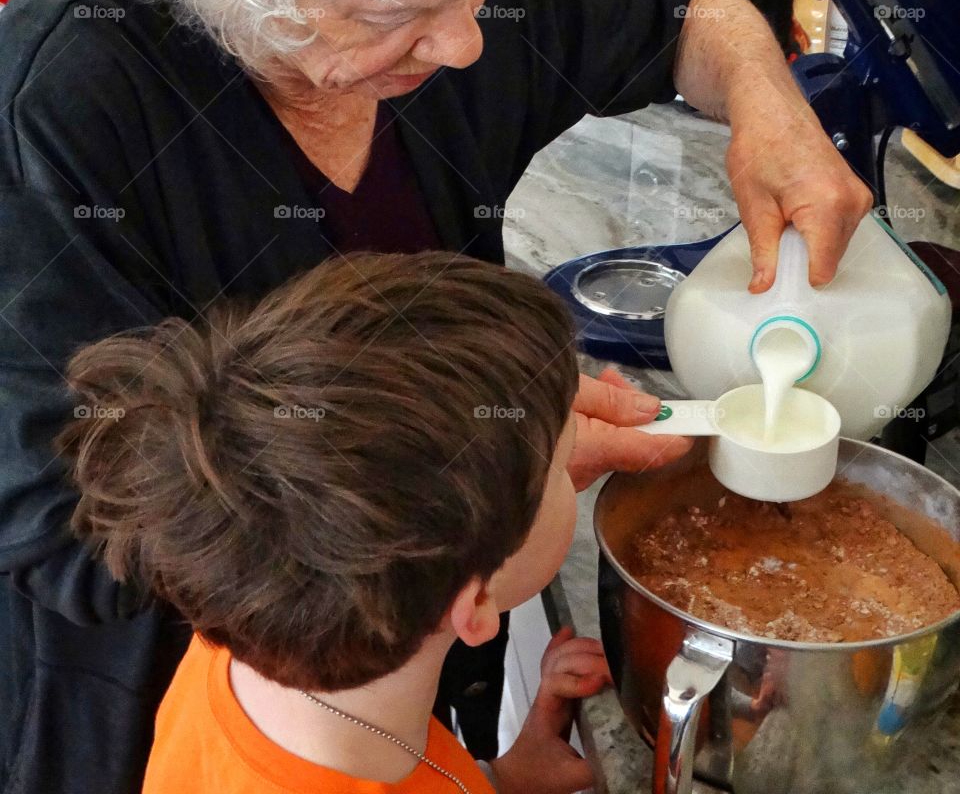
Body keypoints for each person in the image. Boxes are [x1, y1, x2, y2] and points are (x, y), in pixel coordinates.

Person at [0, 0, 872, 793]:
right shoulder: (70, 100)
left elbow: (682, 6)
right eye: (394, 16)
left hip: (417, 667)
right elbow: (67, 519)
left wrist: (769, 101)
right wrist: (472, 469)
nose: (465, 42)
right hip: (187, 717)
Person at [58, 251, 615, 794]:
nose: (573, 467)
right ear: (473, 605)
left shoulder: (240, 644)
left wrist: (505, 779)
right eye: (564, 463)